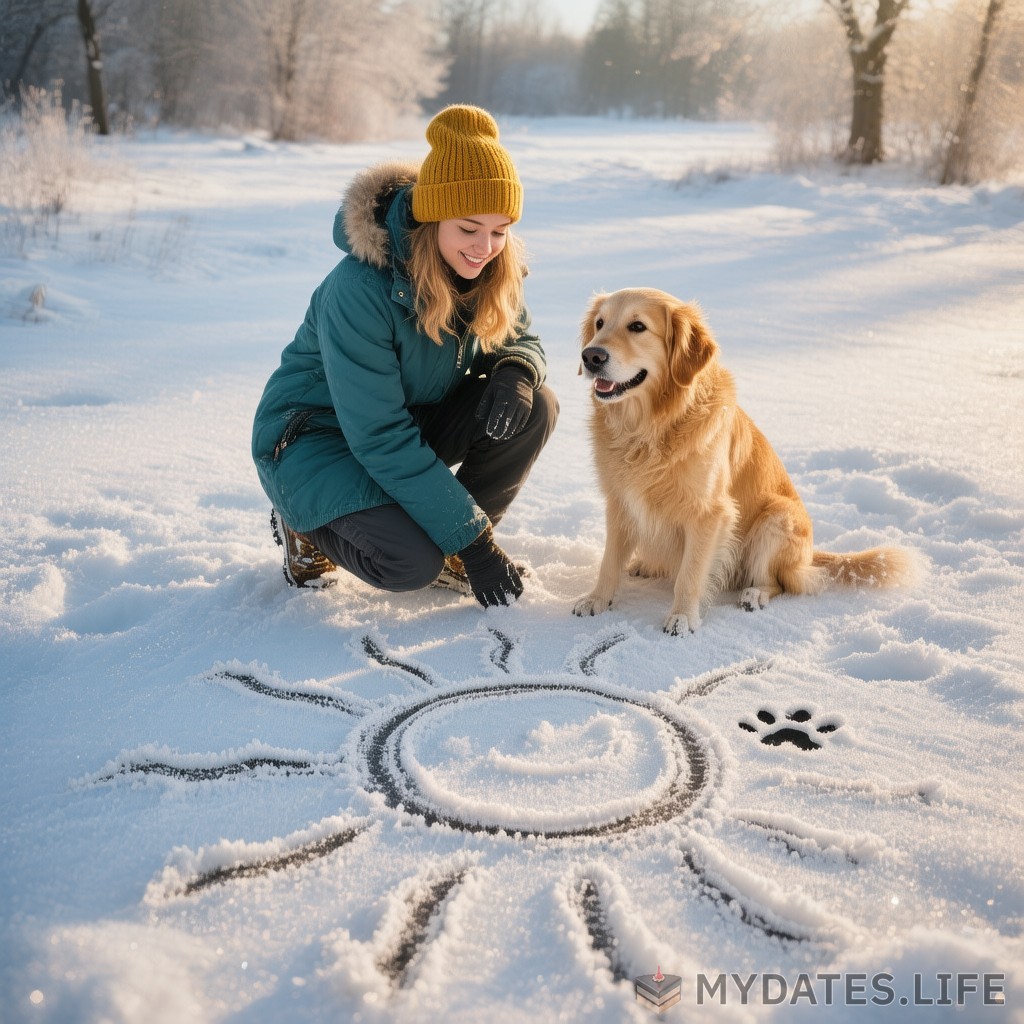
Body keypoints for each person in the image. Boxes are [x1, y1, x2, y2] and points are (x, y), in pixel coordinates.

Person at [251, 105, 557, 608]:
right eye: (469, 228)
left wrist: (517, 371)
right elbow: (378, 434)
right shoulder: (359, 288)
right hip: (316, 440)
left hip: (405, 424)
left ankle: (454, 543)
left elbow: (523, 338)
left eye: (500, 231)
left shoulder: (489, 270)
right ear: (431, 216)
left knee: (537, 404)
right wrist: (477, 544)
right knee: (410, 565)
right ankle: (303, 524)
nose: (484, 247)